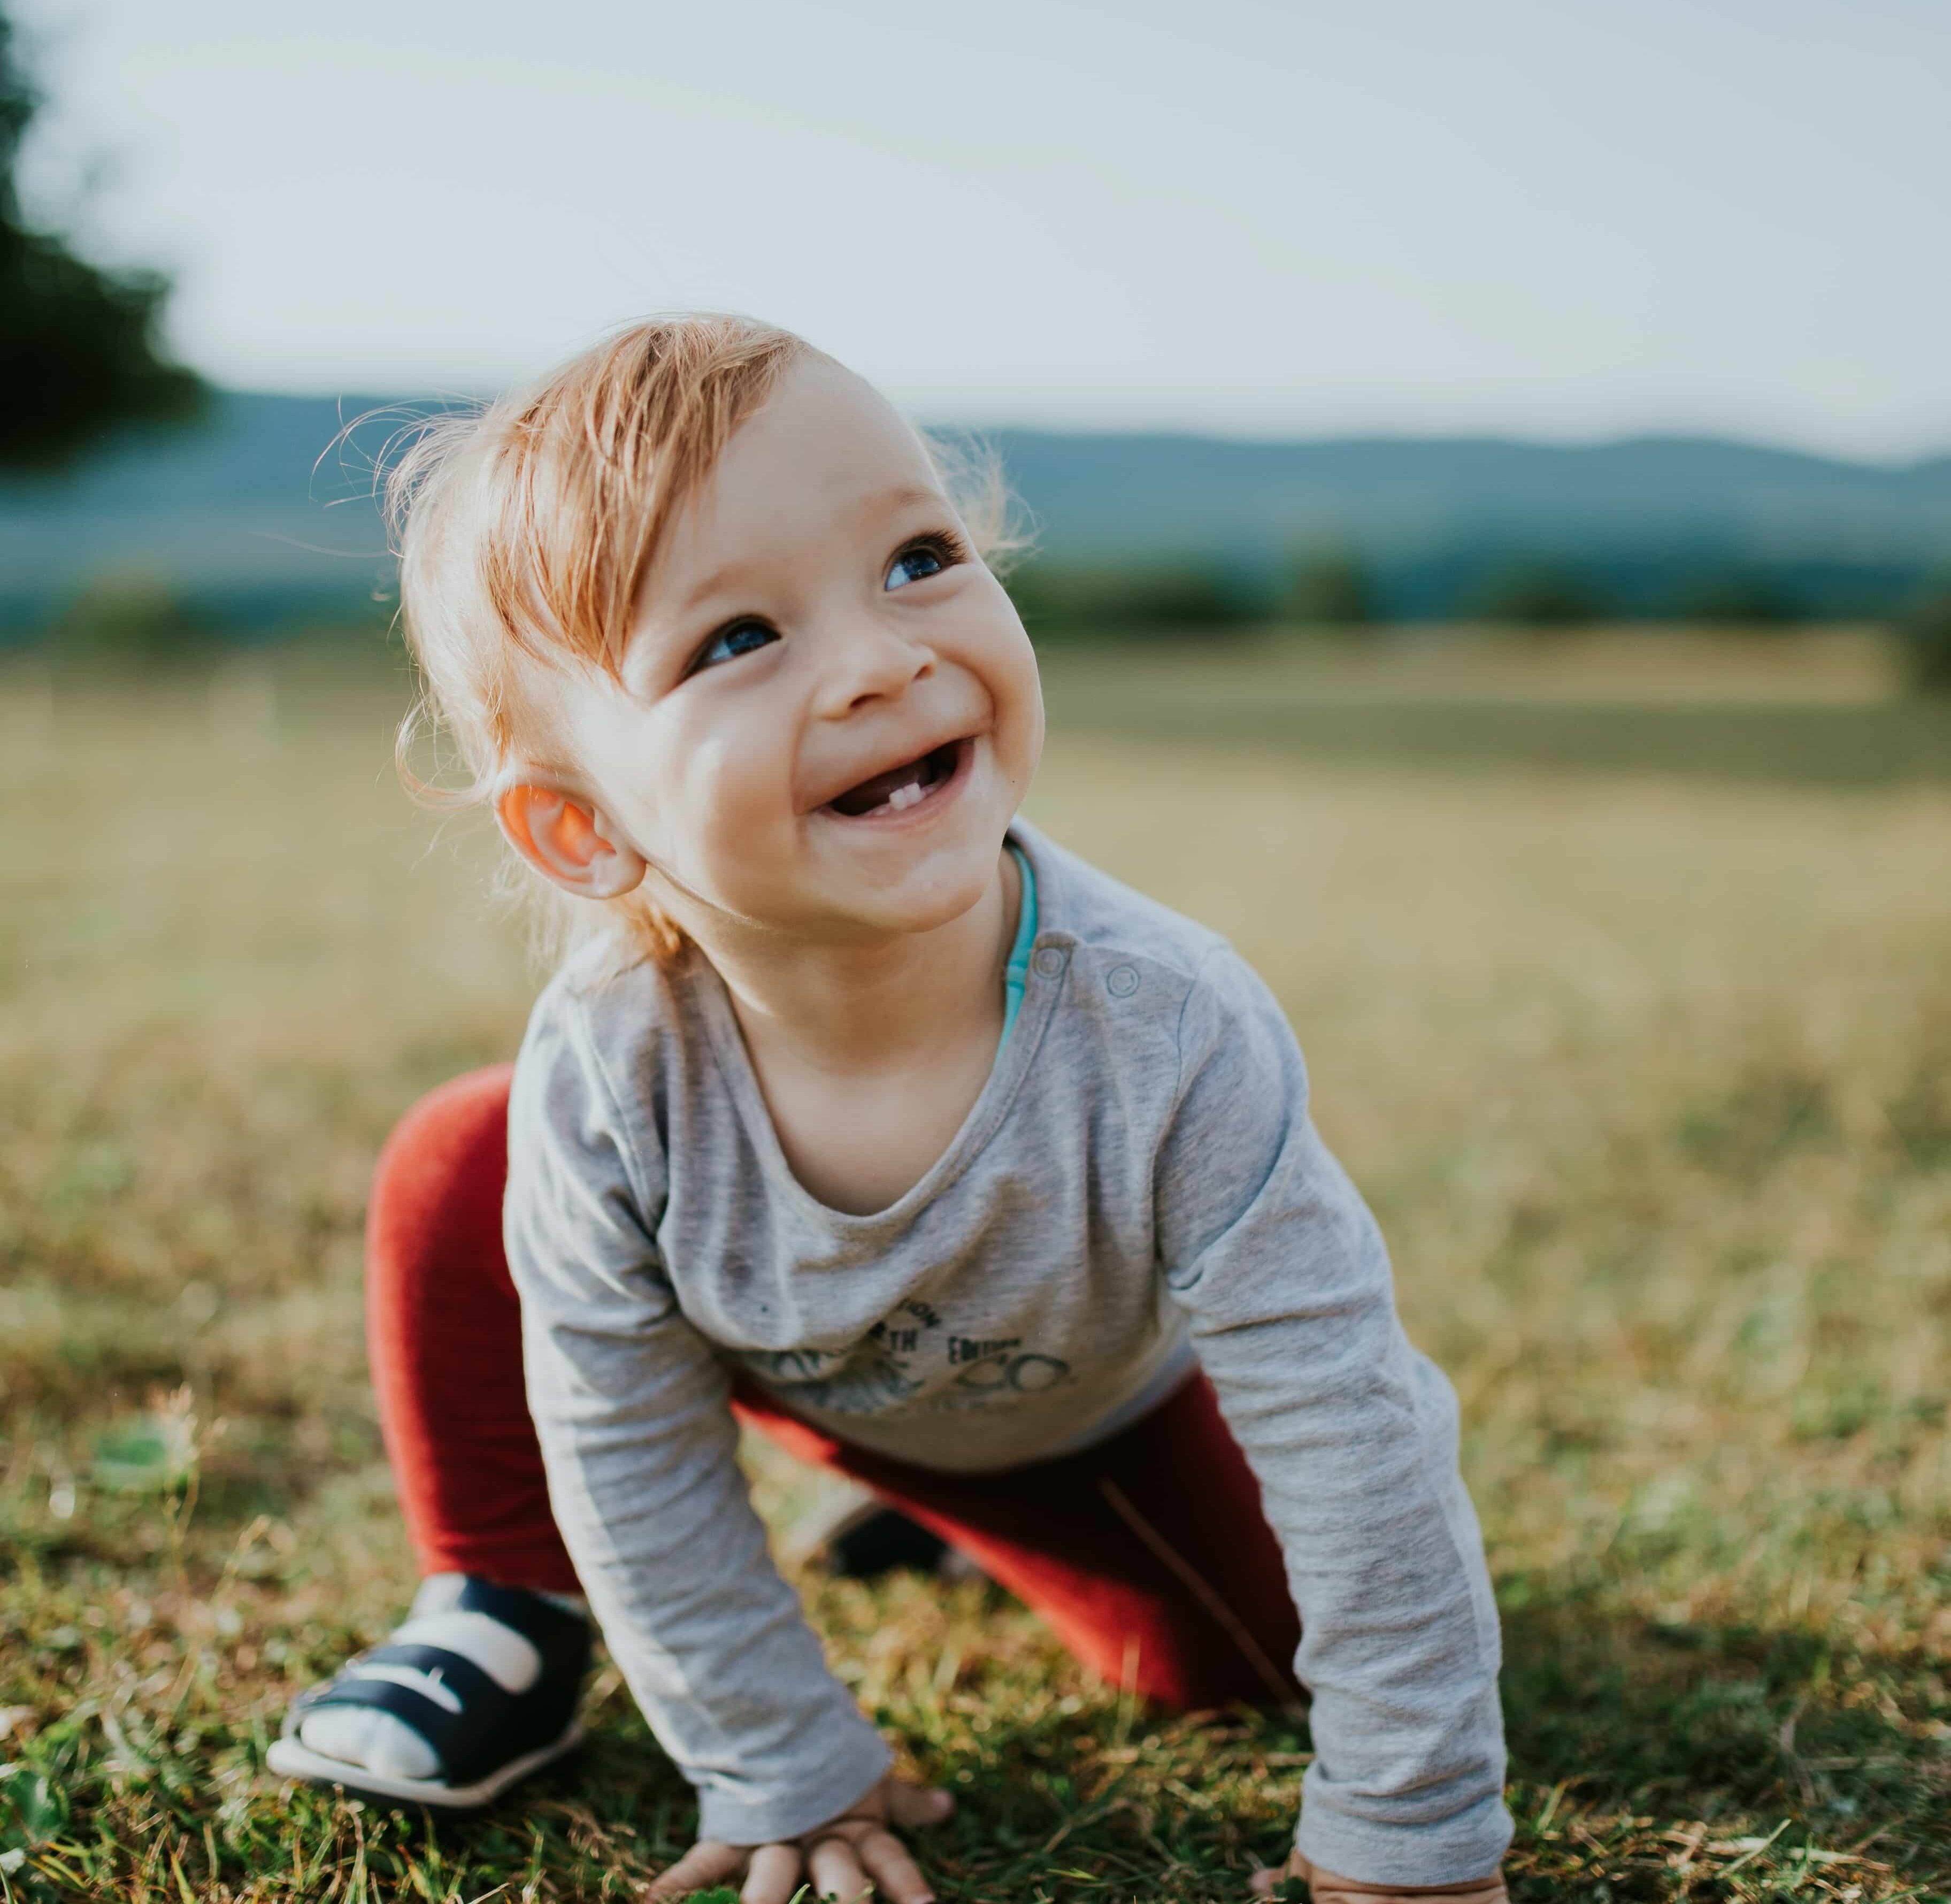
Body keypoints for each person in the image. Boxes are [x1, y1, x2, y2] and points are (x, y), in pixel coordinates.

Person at [267, 315, 1514, 1904]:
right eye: (735, 641)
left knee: (1240, 1663)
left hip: (1064, 1403)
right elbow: (624, 1441)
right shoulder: (613, 1062)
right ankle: (500, 1608)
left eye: (918, 558)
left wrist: (1410, 1830)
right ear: (581, 830)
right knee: (465, 1152)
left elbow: (1351, 1430)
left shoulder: (1169, 1030)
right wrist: (778, 1762)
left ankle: (939, 1510)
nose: (880, 658)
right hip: (768, 1350)